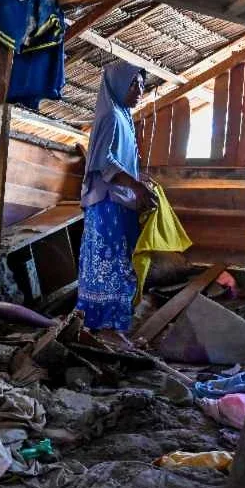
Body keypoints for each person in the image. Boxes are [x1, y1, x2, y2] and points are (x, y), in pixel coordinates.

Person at [76, 62, 158, 338]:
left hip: (120, 201)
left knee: (119, 263)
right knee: (108, 263)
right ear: (118, 84)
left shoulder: (123, 116)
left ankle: (109, 324)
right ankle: (106, 327)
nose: (139, 91)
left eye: (142, 86)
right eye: (133, 84)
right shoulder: (110, 116)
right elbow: (104, 161)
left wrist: (139, 183)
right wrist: (136, 186)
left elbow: (122, 162)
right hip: (107, 203)